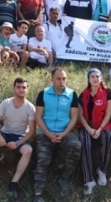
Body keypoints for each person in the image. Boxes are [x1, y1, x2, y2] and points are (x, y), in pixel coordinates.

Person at [0, 77, 35, 199]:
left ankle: (14, 182)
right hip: (5, 132)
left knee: (28, 151)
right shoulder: (6, 103)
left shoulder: (30, 107)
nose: (21, 90)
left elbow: (31, 132)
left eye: (24, 87)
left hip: (20, 136)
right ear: (14, 88)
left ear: (27, 90)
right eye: (18, 87)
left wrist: (18, 143)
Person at [33, 68, 82, 201]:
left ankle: (64, 179)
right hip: (46, 132)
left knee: (76, 146)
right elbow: (38, 117)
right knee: (42, 160)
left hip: (65, 132)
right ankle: (38, 193)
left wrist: (64, 133)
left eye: (64, 78)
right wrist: (48, 134)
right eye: (58, 78)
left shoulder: (72, 94)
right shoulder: (43, 94)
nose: (62, 82)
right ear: (52, 79)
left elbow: (74, 117)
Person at [77, 69, 111, 196]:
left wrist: (99, 129)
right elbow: (81, 115)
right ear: (88, 79)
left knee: (109, 138)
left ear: (101, 78)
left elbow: (109, 113)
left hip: (102, 126)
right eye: (92, 76)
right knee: (84, 142)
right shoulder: (83, 95)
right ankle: (88, 180)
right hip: (87, 127)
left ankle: (102, 171)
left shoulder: (108, 93)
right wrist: (89, 129)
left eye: (97, 76)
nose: (94, 79)